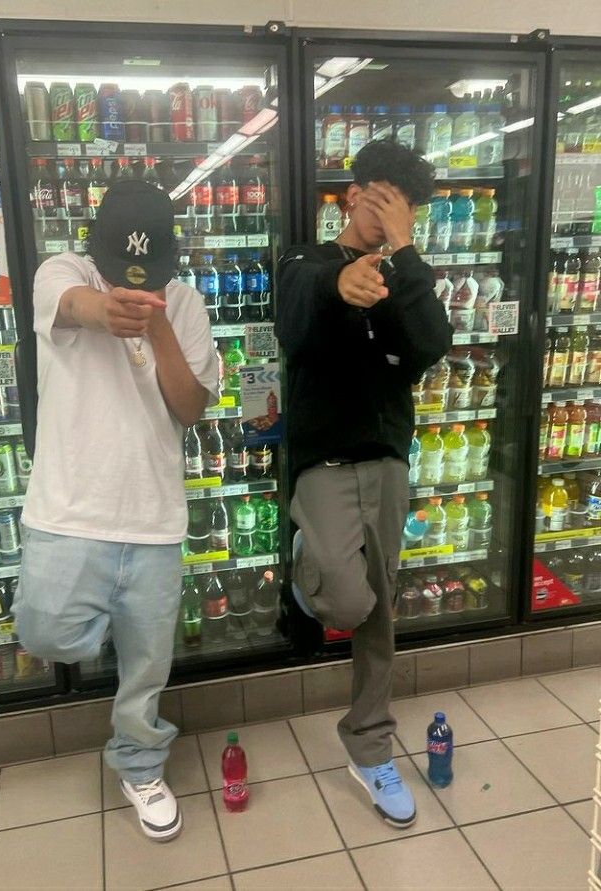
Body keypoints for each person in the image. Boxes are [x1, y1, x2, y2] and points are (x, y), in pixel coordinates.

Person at [12, 180, 219, 842]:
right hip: (69, 509)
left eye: (150, 272)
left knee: (147, 671)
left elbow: (190, 407)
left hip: (155, 517)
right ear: (97, 246)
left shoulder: (186, 304)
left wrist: (156, 323)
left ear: (168, 260)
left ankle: (139, 762)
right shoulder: (62, 272)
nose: (137, 284)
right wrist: (107, 310)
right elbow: (69, 306)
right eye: (123, 271)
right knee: (43, 631)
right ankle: (103, 619)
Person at [276, 139, 452, 828]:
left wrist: (404, 258)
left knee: (379, 615)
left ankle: (369, 744)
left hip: (388, 459)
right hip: (325, 462)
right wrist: (337, 285)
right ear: (353, 194)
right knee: (346, 598)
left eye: (402, 207)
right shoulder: (305, 259)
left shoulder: (408, 273)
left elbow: (431, 343)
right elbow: (294, 315)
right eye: (380, 198)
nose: (388, 216)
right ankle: (302, 572)